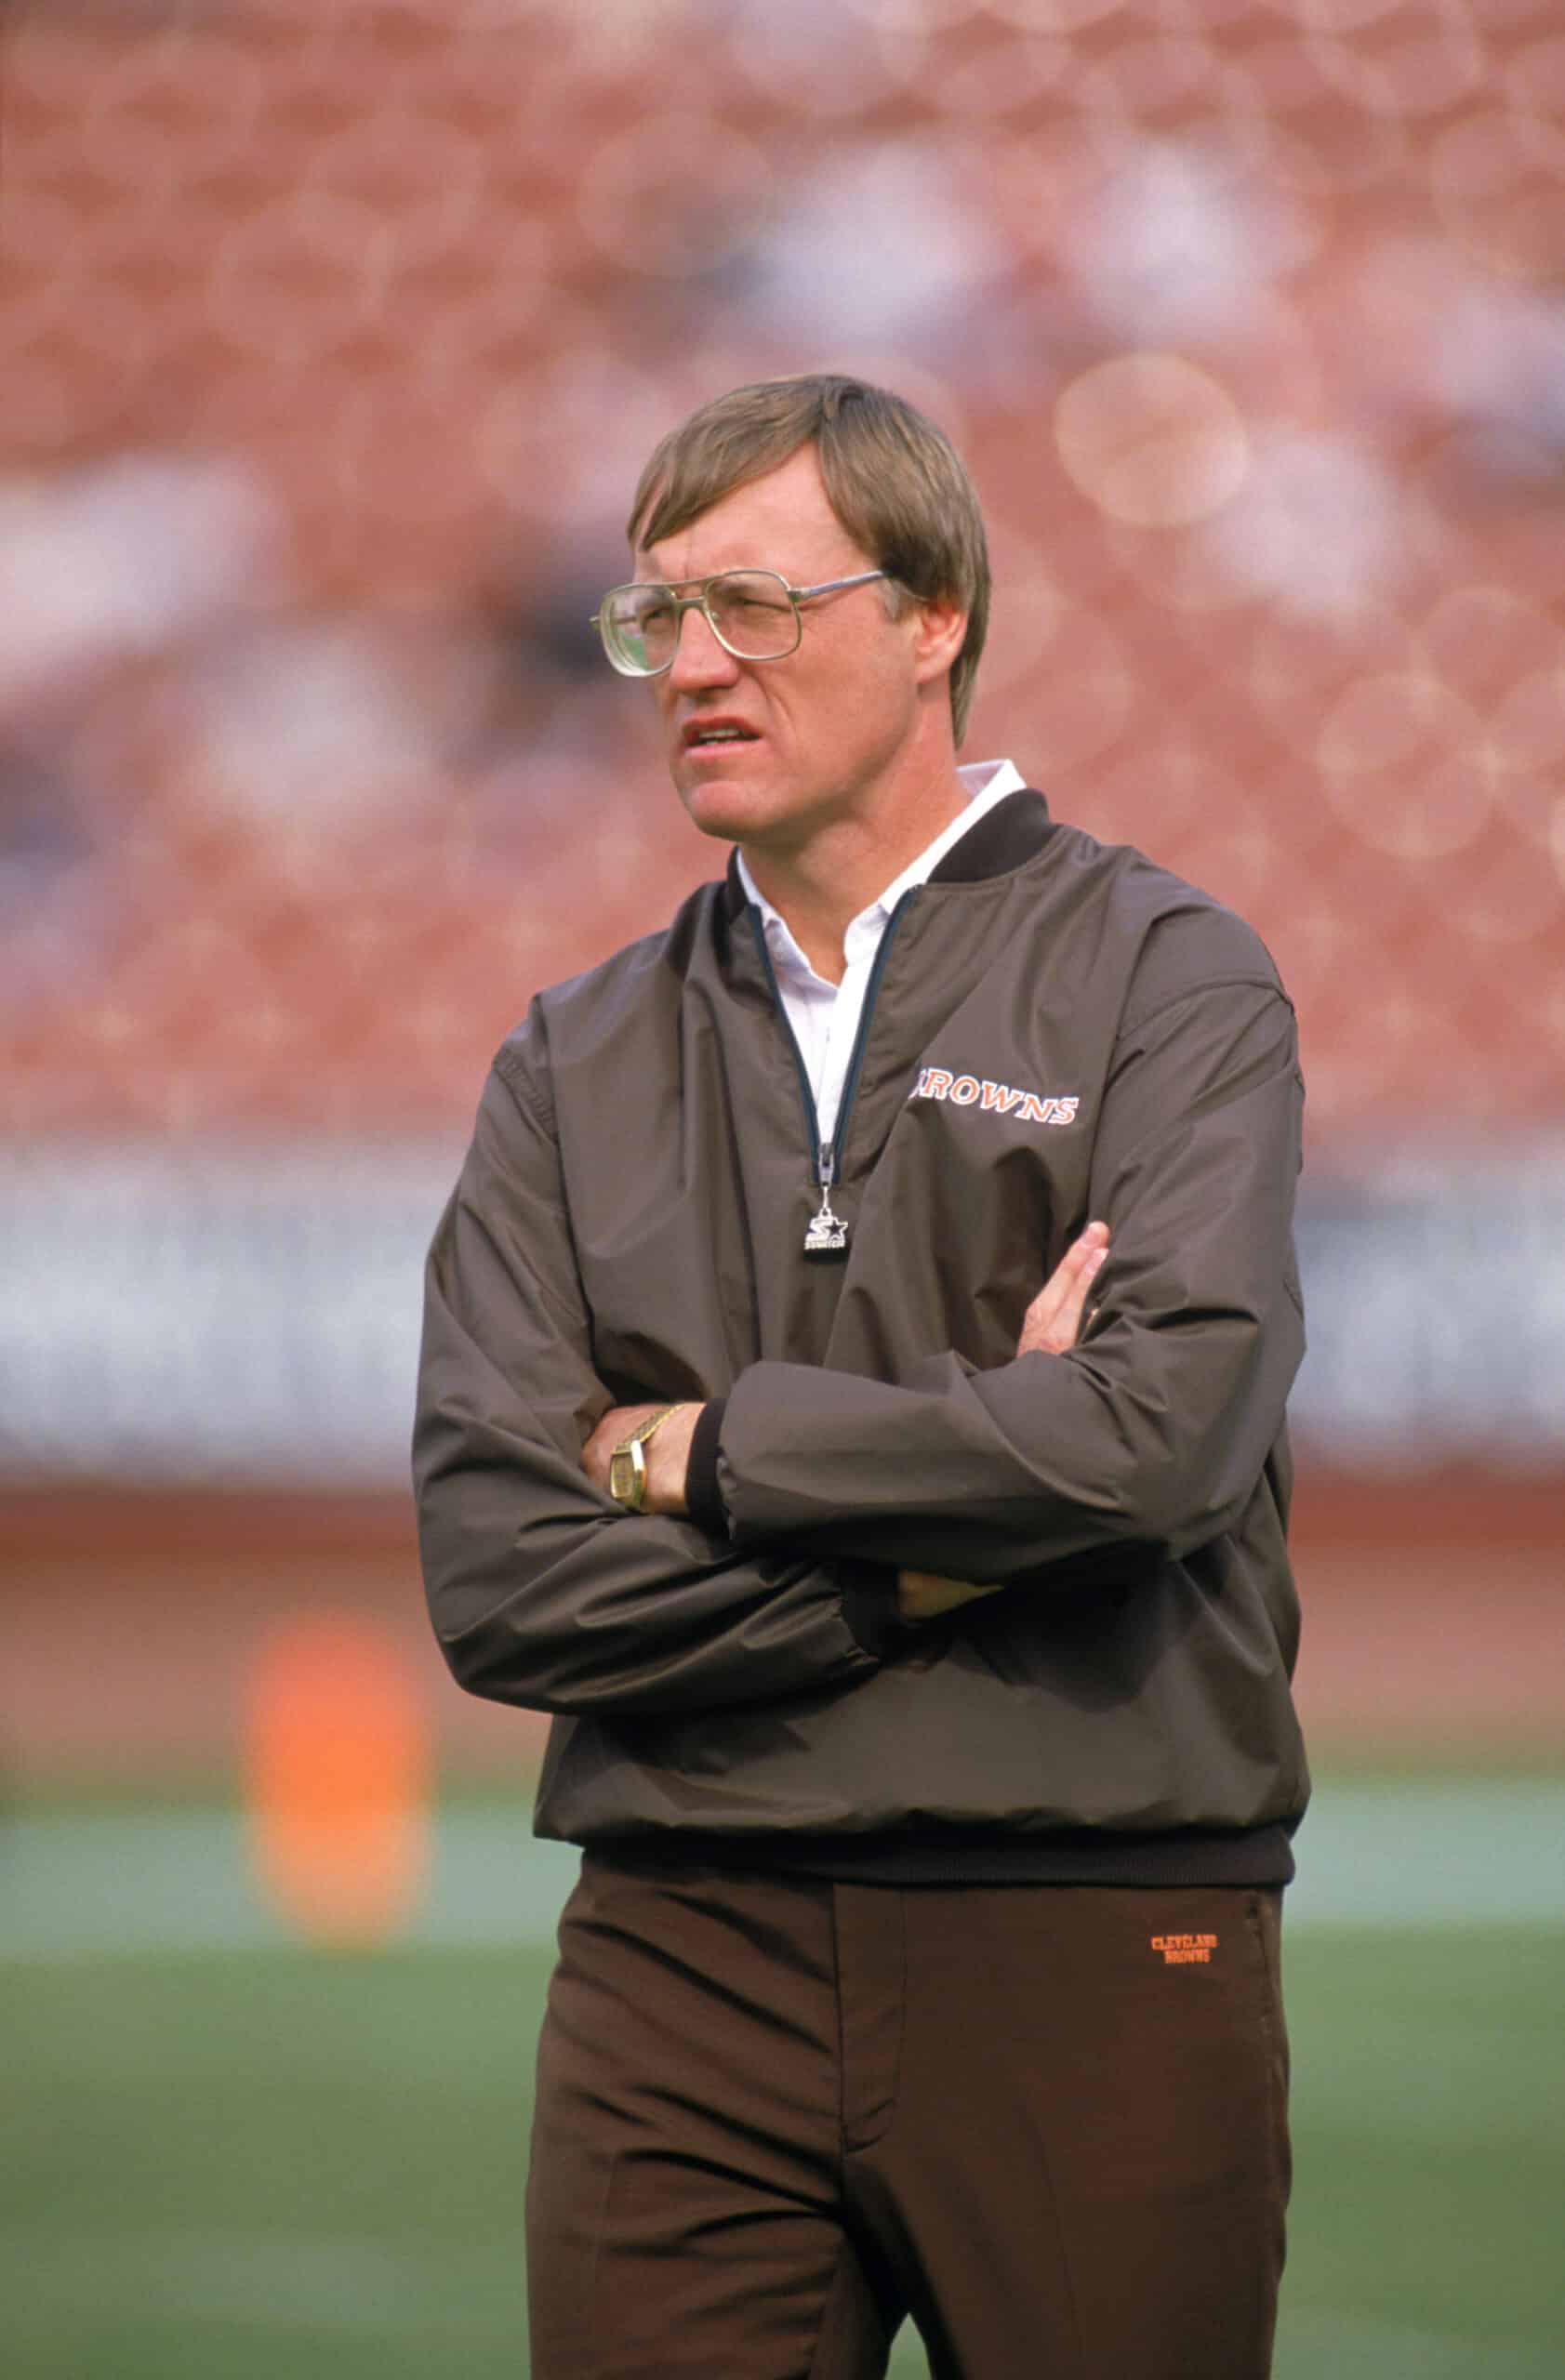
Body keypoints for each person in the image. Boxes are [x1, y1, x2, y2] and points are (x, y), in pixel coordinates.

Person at [413, 373, 1307, 2380]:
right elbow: (498, 1574)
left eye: (755, 603)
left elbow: (1159, 1442)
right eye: (655, 619)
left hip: (1091, 1925)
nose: (692, 667)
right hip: (671, 1951)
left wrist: (704, 1450)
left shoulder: (1169, 975)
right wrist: (955, 1539)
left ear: (931, 617)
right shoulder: (570, 1055)